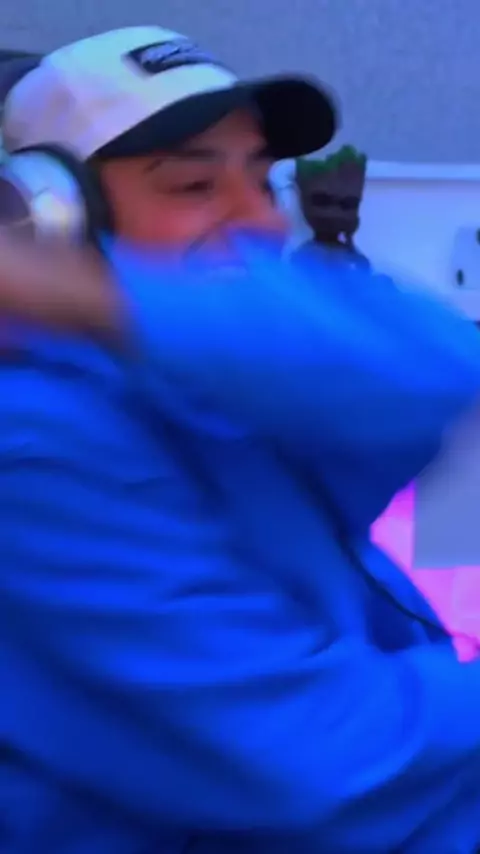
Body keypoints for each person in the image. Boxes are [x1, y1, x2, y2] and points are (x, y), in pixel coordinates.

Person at [2, 24, 480, 854]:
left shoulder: (200, 374)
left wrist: (97, 298)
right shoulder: (35, 444)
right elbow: (319, 760)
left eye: (263, 180)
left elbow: (437, 366)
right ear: (50, 220)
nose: (258, 221)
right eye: (195, 184)